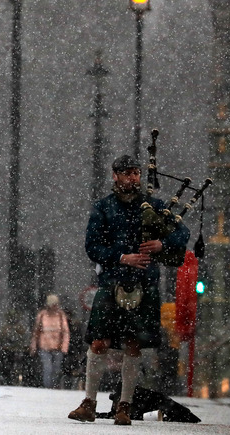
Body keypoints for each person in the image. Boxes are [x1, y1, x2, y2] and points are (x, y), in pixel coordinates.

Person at [68, 155, 189, 425]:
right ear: (115, 176)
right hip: (112, 281)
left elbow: (182, 233)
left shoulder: (155, 207)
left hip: (144, 283)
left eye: (136, 173)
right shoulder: (103, 208)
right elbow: (92, 246)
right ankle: (88, 402)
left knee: (133, 345)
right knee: (99, 342)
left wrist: (161, 244)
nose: (133, 178)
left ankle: (125, 405)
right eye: (127, 173)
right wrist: (122, 257)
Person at [29, 294, 70, 389]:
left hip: (58, 347)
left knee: (56, 369)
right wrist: (34, 346)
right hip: (44, 347)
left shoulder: (60, 315)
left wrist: (64, 347)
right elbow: (36, 332)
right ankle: (48, 388)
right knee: (47, 368)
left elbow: (65, 332)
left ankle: (54, 387)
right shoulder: (42, 315)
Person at [0, 309, 29, 386]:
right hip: (8, 349)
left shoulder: (20, 328)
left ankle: (16, 379)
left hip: (17, 349)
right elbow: (2, 338)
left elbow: (23, 338)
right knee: (7, 365)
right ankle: (7, 379)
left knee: (18, 366)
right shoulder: (5, 328)